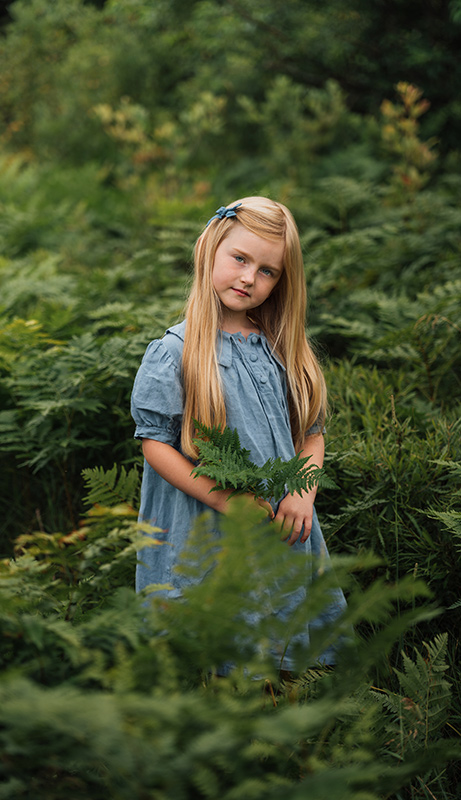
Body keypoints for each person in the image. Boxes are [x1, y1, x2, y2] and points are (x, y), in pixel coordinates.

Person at [131, 196, 347, 669]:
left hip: (280, 524)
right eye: (240, 259)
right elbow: (155, 444)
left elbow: (311, 433)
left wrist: (301, 493)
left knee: (285, 646)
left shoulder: (284, 350)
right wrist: (227, 501)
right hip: (206, 527)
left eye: (268, 271)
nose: (250, 277)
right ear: (210, 249)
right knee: (218, 651)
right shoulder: (176, 353)